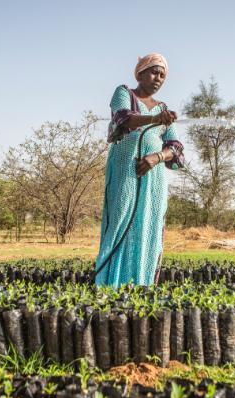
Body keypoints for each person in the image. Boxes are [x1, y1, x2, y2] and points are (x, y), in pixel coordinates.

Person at [94, 53, 185, 288]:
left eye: (162, 75)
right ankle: (109, 284)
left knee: (148, 226)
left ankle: (141, 283)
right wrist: (155, 119)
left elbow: (175, 148)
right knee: (120, 223)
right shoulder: (124, 92)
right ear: (141, 73)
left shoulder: (163, 108)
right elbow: (124, 118)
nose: (158, 78)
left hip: (153, 178)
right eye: (154, 72)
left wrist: (157, 157)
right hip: (125, 171)